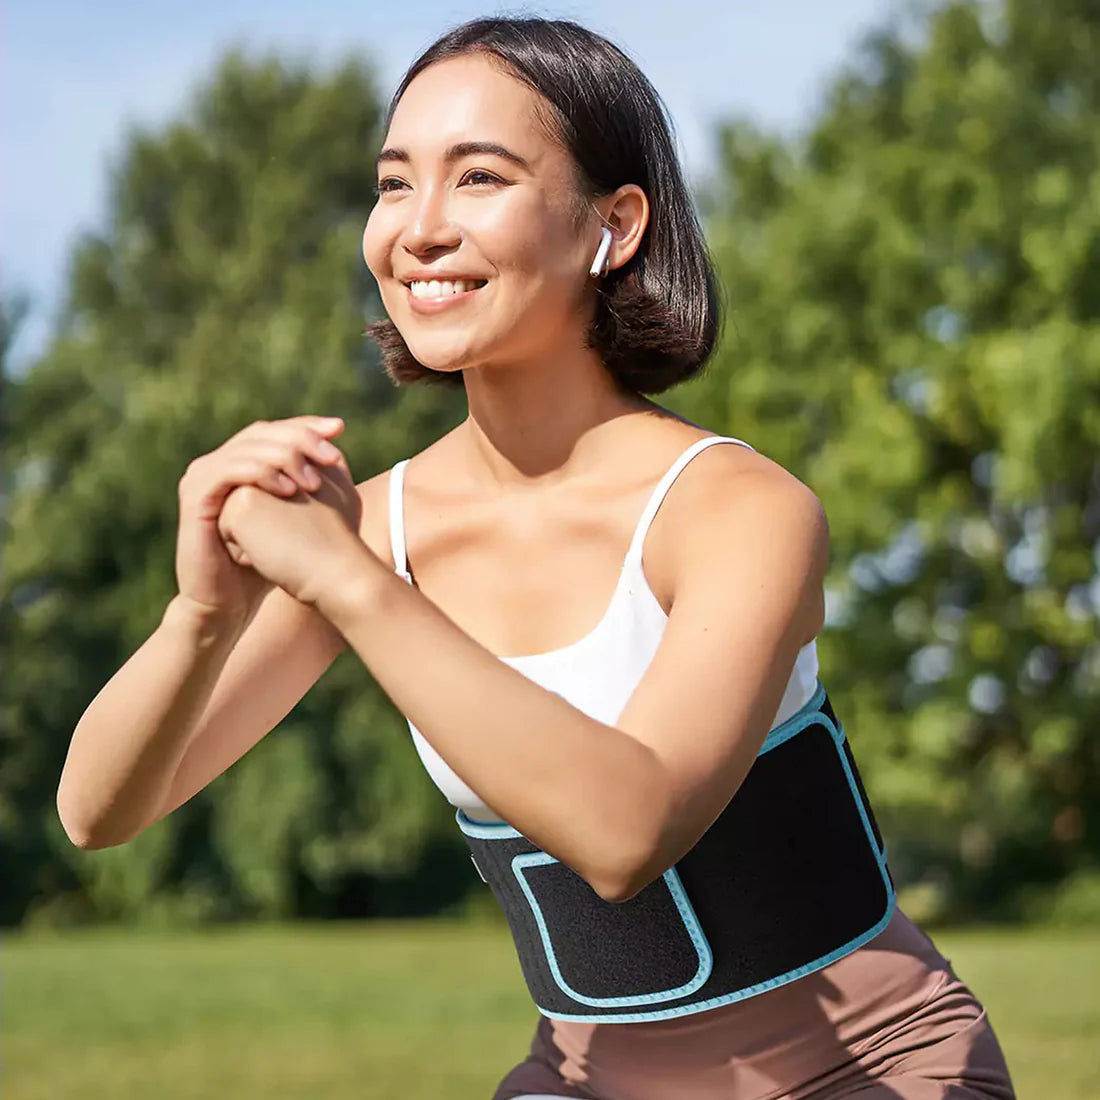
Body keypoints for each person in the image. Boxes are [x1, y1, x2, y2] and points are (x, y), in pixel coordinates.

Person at [57, 16, 1017, 1100]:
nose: (419, 229)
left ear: (614, 223)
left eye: (478, 177)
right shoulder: (370, 531)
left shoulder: (738, 509)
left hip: (865, 1068)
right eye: (392, 184)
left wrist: (349, 582)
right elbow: (98, 811)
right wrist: (202, 615)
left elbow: (626, 830)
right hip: (580, 1077)